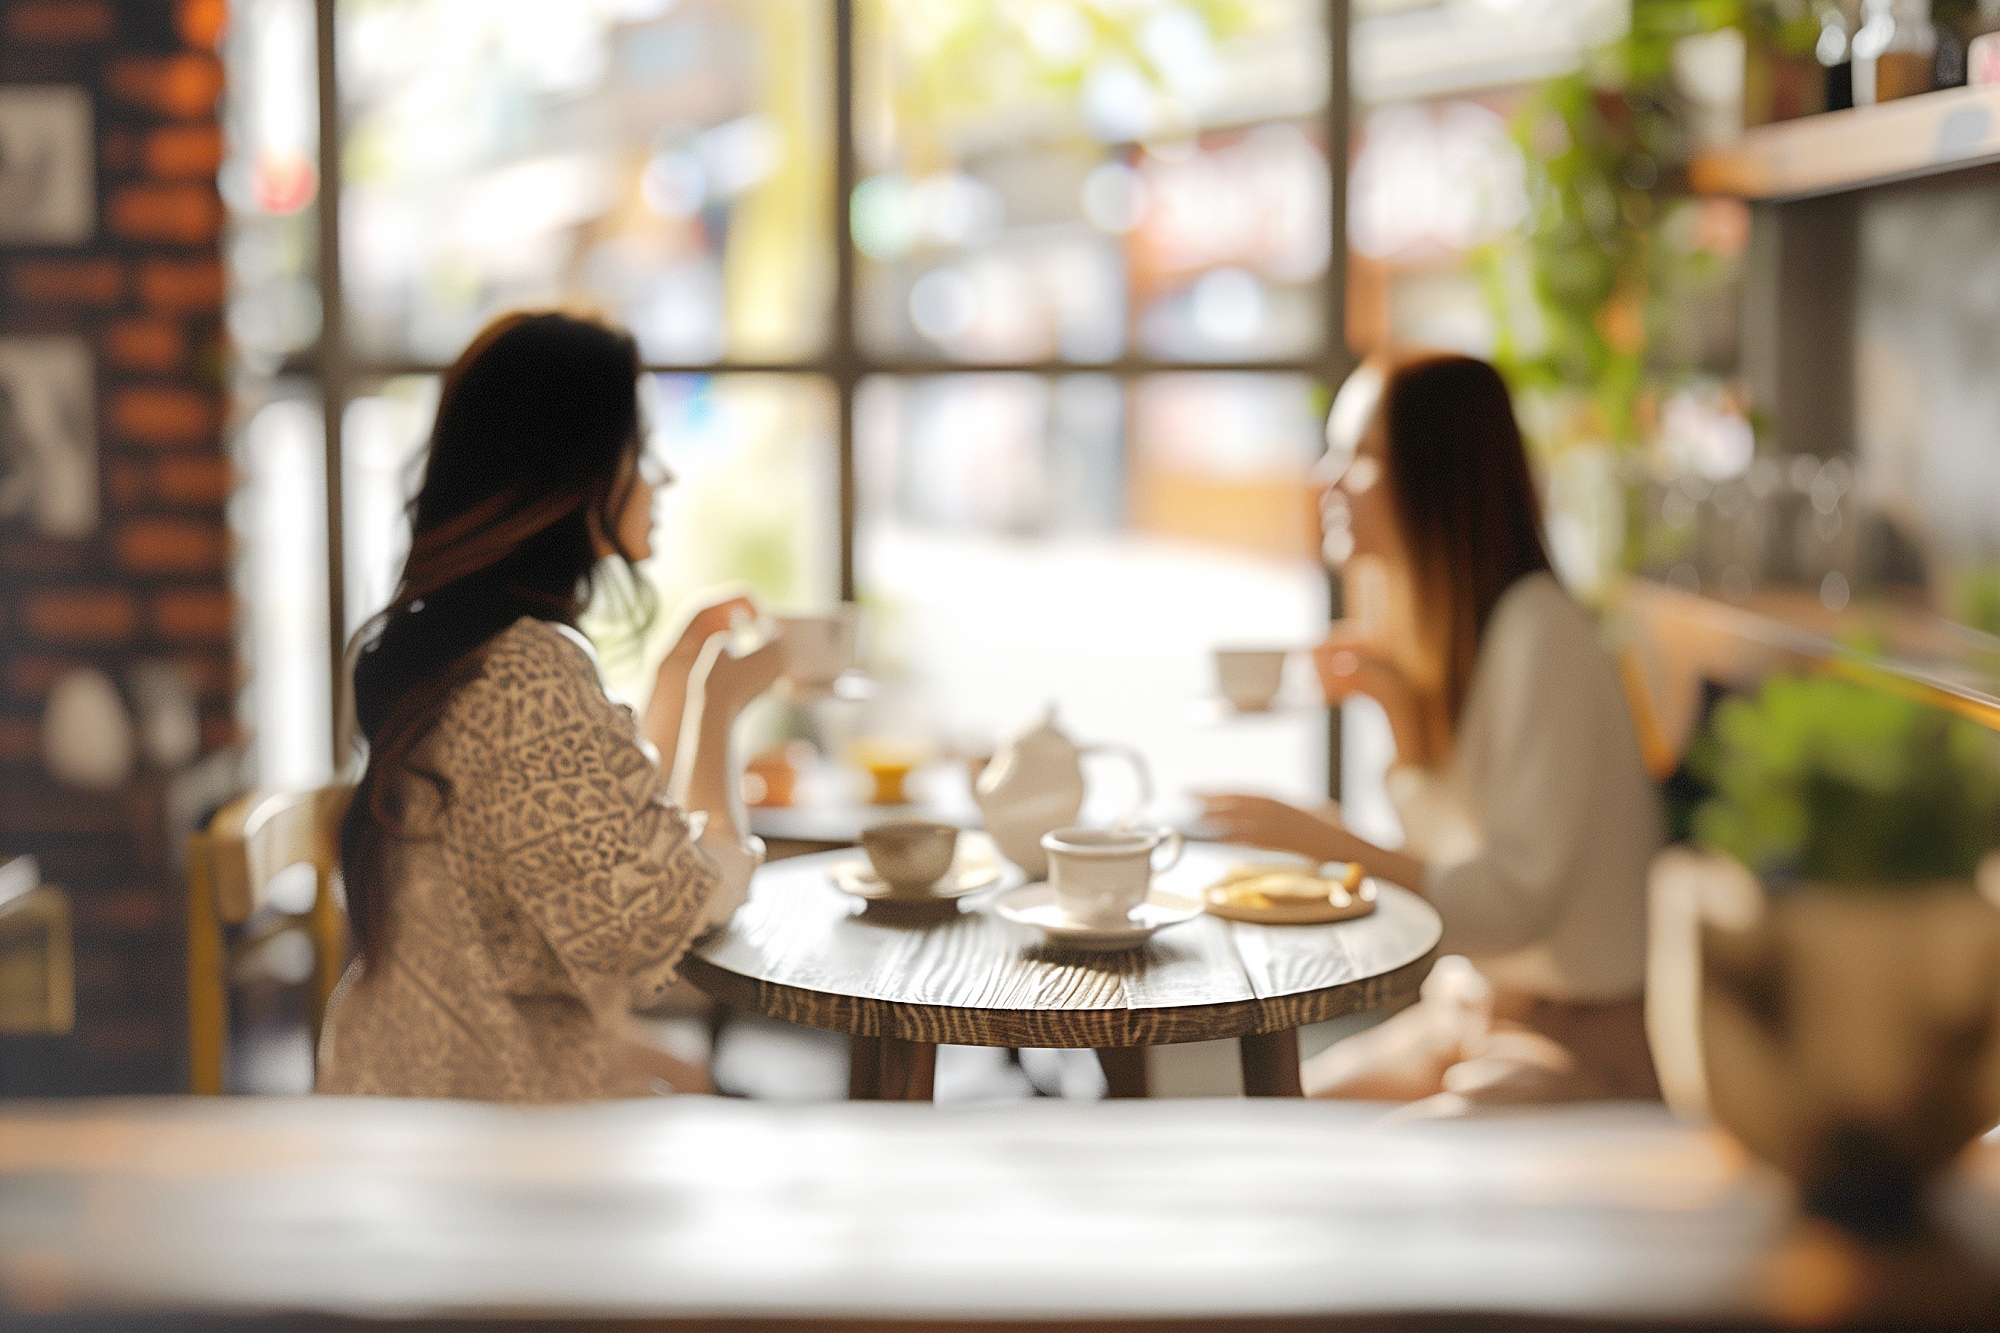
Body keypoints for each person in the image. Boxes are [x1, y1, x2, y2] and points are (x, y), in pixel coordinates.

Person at [316, 311, 781, 1101]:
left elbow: (613, 847)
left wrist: (675, 676)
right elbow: (671, 912)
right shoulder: (529, 670)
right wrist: (722, 704)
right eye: (639, 447)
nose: (661, 477)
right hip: (468, 1114)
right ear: (576, 467)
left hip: (417, 1071)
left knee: (712, 1086)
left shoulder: (482, 650)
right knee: (740, 1107)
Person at [1202, 351, 1664, 1107]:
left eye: (1363, 456)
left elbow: (1507, 908)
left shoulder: (1539, 631)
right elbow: (1457, 865)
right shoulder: (1467, 631)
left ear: (1440, 473)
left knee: (1380, 1162)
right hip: (1473, 1008)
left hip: (1579, 1035)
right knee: (1283, 1118)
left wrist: (1328, 841)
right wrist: (1398, 711)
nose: (1328, 477)